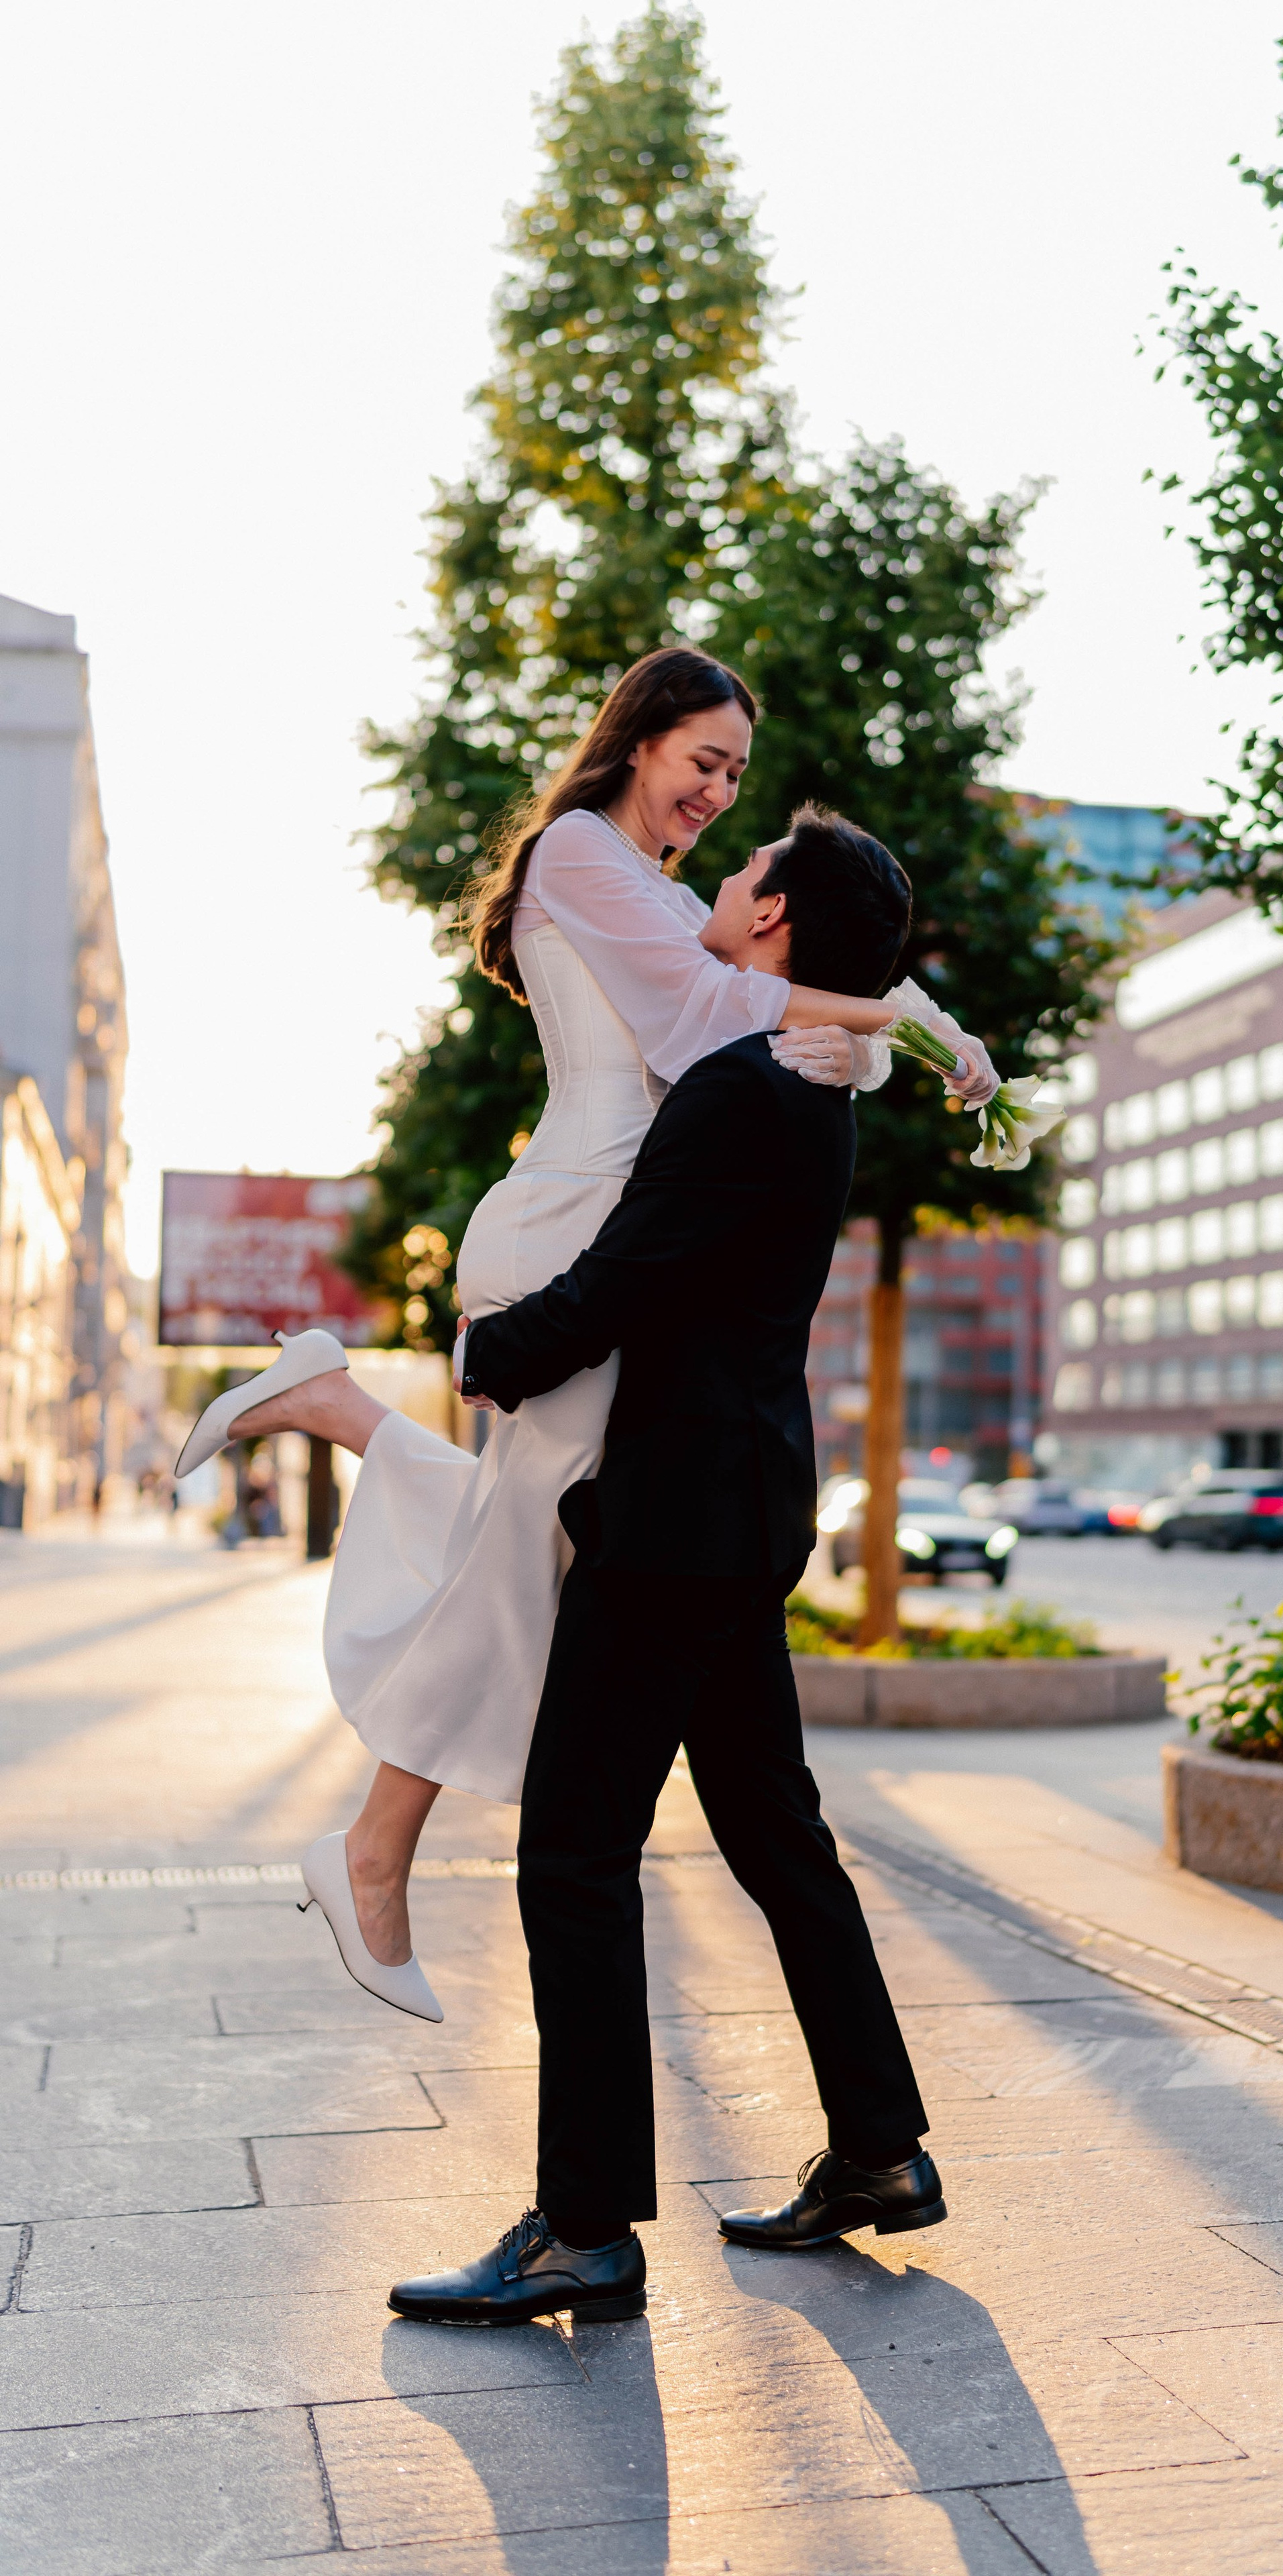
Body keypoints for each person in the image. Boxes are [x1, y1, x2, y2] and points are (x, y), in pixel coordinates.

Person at [173, 648, 996, 2021]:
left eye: (736, 775)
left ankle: (342, 1425)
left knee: (540, 1539)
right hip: (566, 1231)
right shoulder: (577, 853)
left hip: (608, 1236)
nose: (718, 794)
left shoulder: (676, 900)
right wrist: (895, 1015)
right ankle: (372, 1853)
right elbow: (703, 1018)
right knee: (523, 1554)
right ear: (636, 740)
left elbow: (759, 1028)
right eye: (703, 761)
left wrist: (882, 1034)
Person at [386, 809, 942, 2329]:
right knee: (775, 1835)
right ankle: (879, 2150)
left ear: (770, 921)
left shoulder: (742, 1089)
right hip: (743, 1511)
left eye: (750, 859)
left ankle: (584, 2229)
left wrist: (491, 1351)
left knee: (572, 1856)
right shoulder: (810, 1086)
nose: (726, 871)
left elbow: (631, 1272)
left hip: (674, 1528)